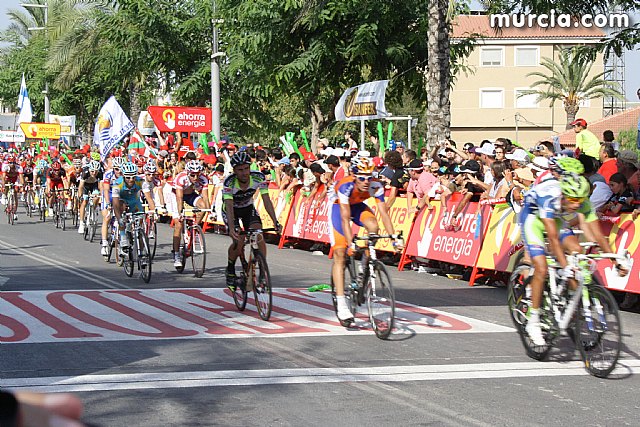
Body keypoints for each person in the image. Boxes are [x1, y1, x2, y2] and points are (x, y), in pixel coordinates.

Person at [519, 157, 626, 346]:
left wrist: (615, 261)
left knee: (576, 250)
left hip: (557, 218)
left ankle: (570, 300)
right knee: (543, 267)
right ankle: (534, 320)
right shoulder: (550, 195)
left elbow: (599, 236)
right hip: (534, 218)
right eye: (572, 200)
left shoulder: (581, 199)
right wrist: (564, 264)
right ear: (564, 194)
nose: (576, 205)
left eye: (580, 201)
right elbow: (552, 238)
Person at [329, 156, 401, 324]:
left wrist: (394, 238)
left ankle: (364, 264)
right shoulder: (346, 186)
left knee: (374, 227)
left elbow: (384, 213)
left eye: (370, 177)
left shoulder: (376, 186)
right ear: (354, 176)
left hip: (358, 206)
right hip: (339, 207)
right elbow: (345, 219)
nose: (366, 181)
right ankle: (341, 304)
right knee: (340, 253)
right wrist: (350, 243)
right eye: (362, 177)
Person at [223, 152, 281, 290]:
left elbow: (266, 201)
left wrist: (275, 221)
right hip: (231, 211)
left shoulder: (258, 177)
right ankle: (230, 269)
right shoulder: (229, 182)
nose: (244, 173)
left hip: (248, 208)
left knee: (259, 235)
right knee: (239, 240)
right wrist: (232, 228)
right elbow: (229, 207)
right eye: (240, 170)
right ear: (234, 171)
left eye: (246, 168)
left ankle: (262, 270)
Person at [172, 160, 210, 267]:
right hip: (176, 195)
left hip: (190, 195)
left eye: (197, 175)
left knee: (203, 207)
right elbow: (179, 198)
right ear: (188, 173)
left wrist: (209, 210)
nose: (195, 178)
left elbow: (205, 197)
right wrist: (180, 213)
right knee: (179, 224)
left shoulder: (203, 179)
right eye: (192, 175)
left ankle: (194, 227)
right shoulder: (181, 178)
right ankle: (176, 256)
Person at [112, 162, 156, 254]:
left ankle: (141, 251)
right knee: (121, 208)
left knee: (139, 222)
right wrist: (119, 218)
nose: (131, 180)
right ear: (123, 176)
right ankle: (123, 236)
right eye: (128, 177)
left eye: (133, 177)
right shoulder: (117, 183)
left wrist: (154, 212)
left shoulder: (140, 181)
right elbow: (115, 204)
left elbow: (149, 198)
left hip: (134, 201)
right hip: (122, 199)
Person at [77, 160, 102, 234]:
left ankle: (93, 210)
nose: (94, 173)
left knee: (96, 196)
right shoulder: (85, 172)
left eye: (96, 172)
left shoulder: (100, 173)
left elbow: (100, 185)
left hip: (94, 185)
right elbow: (81, 186)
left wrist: (100, 194)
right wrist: (80, 195)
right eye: (92, 171)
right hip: (85, 186)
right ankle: (81, 224)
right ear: (89, 170)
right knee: (84, 202)